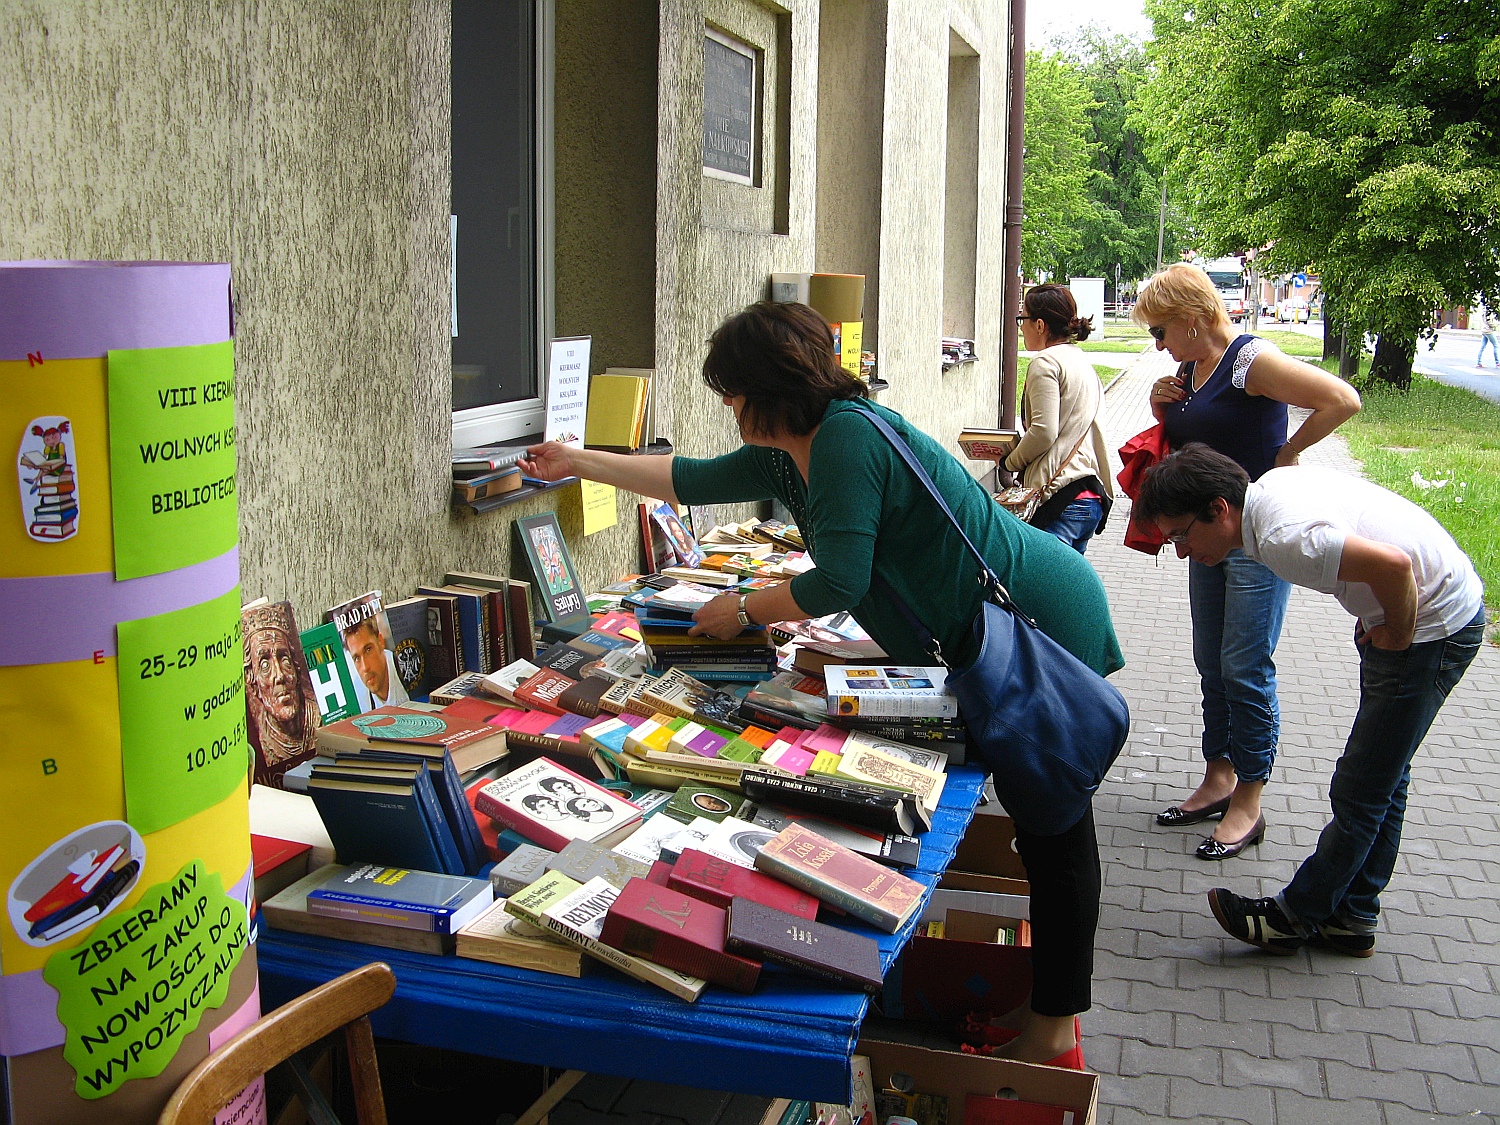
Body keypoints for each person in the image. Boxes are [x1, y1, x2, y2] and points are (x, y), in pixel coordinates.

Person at [522, 300, 1124, 1066]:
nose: (729, 408)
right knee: (1044, 827)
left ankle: (1054, 1031)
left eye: (732, 392)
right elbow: (689, 478)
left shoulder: (844, 437)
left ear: (767, 386)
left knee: (1055, 831)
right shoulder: (791, 449)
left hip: (1037, 623)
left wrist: (740, 608)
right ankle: (1049, 1009)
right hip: (984, 636)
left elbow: (840, 576)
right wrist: (578, 460)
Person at [1135, 444, 1484, 956]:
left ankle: (1291, 918)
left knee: (1360, 790)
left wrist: (1397, 635)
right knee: (1386, 777)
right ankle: (1353, 916)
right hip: (1429, 611)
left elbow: (1394, 564)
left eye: (1182, 535)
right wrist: (1380, 619)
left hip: (1435, 628)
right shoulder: (1266, 492)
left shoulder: (1281, 539)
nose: (1183, 552)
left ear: (1219, 508)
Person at [1133, 263, 1361, 859]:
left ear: (1191, 318)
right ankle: (1219, 777)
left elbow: (1341, 399)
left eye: (1160, 330)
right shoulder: (1189, 367)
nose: (1157, 344)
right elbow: (1199, 439)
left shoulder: (1248, 360)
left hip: (1256, 537)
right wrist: (1162, 406)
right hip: (1206, 535)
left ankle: (1249, 801)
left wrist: (1286, 455)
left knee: (1245, 666)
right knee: (1211, 660)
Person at [1003, 284, 1114, 552]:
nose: (1021, 327)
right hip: (1089, 495)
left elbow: (1043, 431)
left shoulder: (1045, 363)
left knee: (1042, 589)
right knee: (1068, 589)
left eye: (1023, 319)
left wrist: (1010, 461)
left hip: (1060, 499)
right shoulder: (1081, 361)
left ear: (1040, 325)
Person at [242, 602, 320, 786]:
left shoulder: (318, 722)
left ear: (296, 667)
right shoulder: (260, 740)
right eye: (264, 665)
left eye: (284, 659)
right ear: (253, 681)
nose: (279, 675)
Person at [342, 616, 409, 708]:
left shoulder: (404, 666)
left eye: (368, 650)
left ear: (380, 641)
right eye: (357, 658)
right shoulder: (358, 696)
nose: (365, 667)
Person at [1474, 300, 1499, 368]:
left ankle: (1479, 362)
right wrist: (1496, 325)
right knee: (1496, 345)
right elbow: (1489, 321)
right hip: (1489, 330)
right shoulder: (1489, 312)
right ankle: (1498, 362)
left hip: (1484, 330)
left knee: (1482, 347)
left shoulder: (1484, 310)